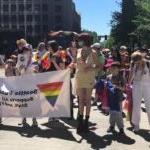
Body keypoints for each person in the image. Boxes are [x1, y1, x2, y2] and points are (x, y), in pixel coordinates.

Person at [75, 33, 99, 133]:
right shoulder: (79, 51)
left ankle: (86, 122)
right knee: (80, 100)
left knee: (88, 100)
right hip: (79, 76)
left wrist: (89, 67)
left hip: (89, 77)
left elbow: (98, 66)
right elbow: (76, 62)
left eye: (80, 40)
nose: (78, 42)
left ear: (85, 40)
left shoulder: (93, 52)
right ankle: (80, 122)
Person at [129, 51, 150, 133]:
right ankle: (136, 125)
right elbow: (131, 77)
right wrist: (128, 84)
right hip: (136, 85)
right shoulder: (133, 64)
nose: (136, 63)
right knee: (136, 106)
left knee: (149, 106)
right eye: (135, 62)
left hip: (148, 86)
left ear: (141, 59)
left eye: (137, 61)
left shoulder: (148, 64)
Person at [106, 62, 125, 135]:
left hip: (118, 98)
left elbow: (124, 88)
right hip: (110, 98)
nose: (112, 70)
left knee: (118, 113)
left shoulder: (121, 77)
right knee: (111, 113)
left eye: (114, 68)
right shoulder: (108, 77)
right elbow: (106, 87)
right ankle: (112, 126)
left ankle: (121, 128)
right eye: (111, 68)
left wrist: (117, 87)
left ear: (118, 69)